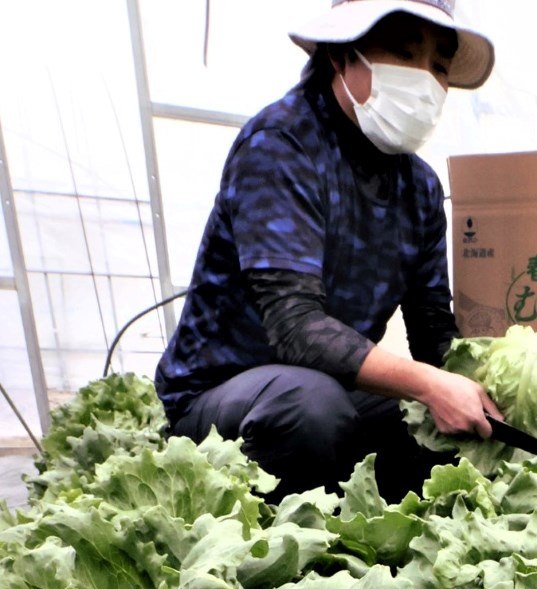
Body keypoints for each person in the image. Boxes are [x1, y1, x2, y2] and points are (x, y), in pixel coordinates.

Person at [154, 0, 502, 503]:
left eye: (440, 67)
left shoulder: (420, 188)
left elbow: (432, 329)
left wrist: (482, 389)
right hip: (222, 397)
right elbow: (295, 327)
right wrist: (428, 383)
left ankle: (376, 540)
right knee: (309, 409)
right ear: (343, 56)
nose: (425, 80)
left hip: (331, 385)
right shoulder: (281, 145)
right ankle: (287, 557)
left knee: (441, 430)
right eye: (404, 54)